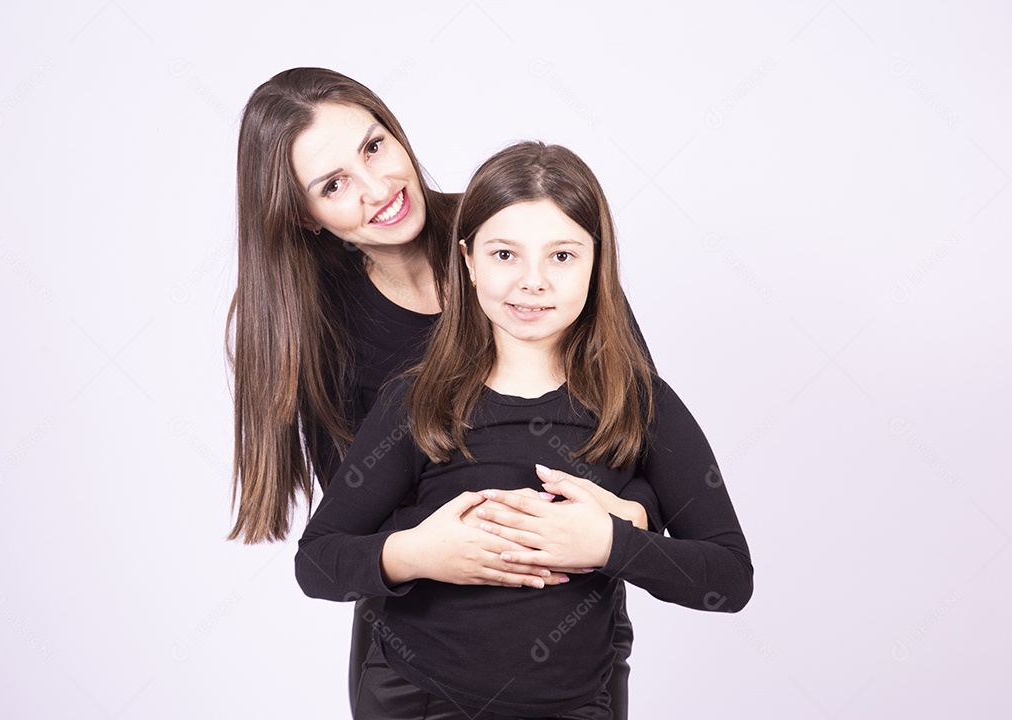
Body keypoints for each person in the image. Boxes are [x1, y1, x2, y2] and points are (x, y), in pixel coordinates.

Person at [228, 68, 657, 717]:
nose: (378, 188)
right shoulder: (319, 331)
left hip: (572, 657)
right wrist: (429, 547)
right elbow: (338, 548)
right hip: (415, 675)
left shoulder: (517, 235)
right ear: (304, 216)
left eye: (374, 147)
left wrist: (628, 518)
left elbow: (642, 446)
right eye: (334, 184)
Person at [296, 141, 753, 719]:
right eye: (504, 254)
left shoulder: (640, 402)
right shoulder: (416, 400)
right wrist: (417, 553)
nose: (532, 282)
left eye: (561, 256)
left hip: (576, 702)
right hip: (417, 697)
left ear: (598, 260)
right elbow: (316, 561)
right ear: (466, 260)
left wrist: (613, 544)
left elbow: (730, 577)